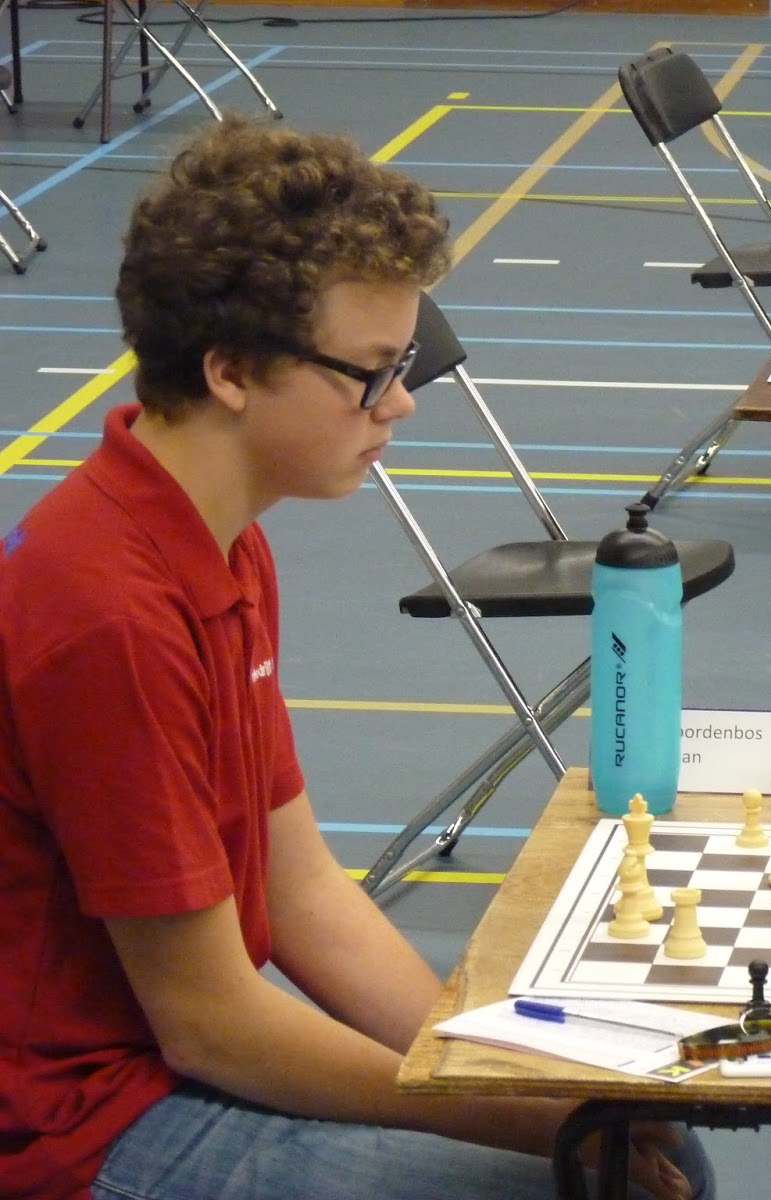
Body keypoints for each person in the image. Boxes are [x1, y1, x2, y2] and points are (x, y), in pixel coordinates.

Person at [0, 116, 710, 1200]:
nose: (403, 403)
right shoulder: (109, 612)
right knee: (591, 1175)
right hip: (80, 1124)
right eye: (372, 373)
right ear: (232, 371)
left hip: (165, 1062)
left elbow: (300, 892)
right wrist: (525, 1120)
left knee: (639, 1143)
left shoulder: (222, 541)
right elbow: (211, 1025)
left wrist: (494, 1061)